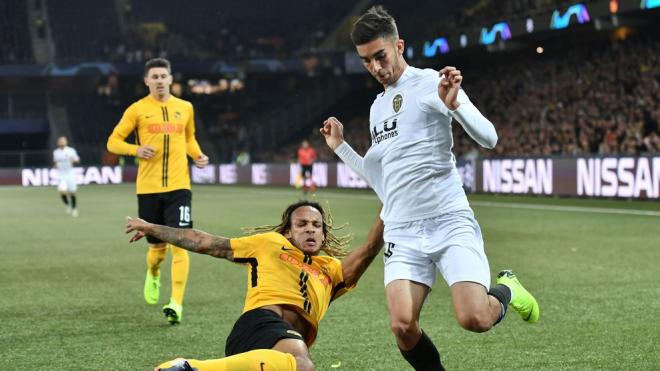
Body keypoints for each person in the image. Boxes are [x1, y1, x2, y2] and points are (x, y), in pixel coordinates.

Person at [320, 6, 540, 370]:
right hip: (403, 231)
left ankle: (508, 289)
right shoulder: (377, 108)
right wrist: (340, 147)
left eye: (380, 56)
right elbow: (382, 182)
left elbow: (489, 137)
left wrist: (456, 106)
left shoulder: (431, 84)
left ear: (399, 46)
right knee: (402, 325)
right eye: (366, 61)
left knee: (475, 318)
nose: (375, 67)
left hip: (448, 220)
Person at [124, 200, 384, 371]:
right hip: (258, 325)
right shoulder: (269, 244)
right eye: (301, 224)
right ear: (288, 232)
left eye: (317, 226)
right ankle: (190, 368)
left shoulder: (332, 270)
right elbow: (204, 242)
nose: (310, 230)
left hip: (270, 357)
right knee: (302, 365)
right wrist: (153, 228)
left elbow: (371, 247)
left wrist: (392, 198)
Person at [107, 58, 209, 325]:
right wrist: (135, 150)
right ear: (147, 81)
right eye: (155, 76)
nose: (160, 80)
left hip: (179, 187)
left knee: (183, 243)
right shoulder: (137, 110)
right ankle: (153, 274)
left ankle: (176, 303)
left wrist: (197, 155)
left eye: (164, 76)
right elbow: (113, 142)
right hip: (148, 189)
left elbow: (188, 139)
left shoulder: (185, 107)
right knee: (157, 251)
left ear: (171, 79)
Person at [53, 136, 80, 217]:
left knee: (72, 192)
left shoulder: (71, 151)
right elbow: (55, 162)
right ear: (58, 143)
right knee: (62, 191)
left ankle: (74, 209)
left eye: (63, 141)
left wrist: (74, 160)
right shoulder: (56, 152)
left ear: (66, 142)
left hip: (70, 174)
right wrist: (55, 166)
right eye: (60, 141)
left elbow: (77, 160)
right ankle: (67, 205)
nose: (61, 143)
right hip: (61, 175)